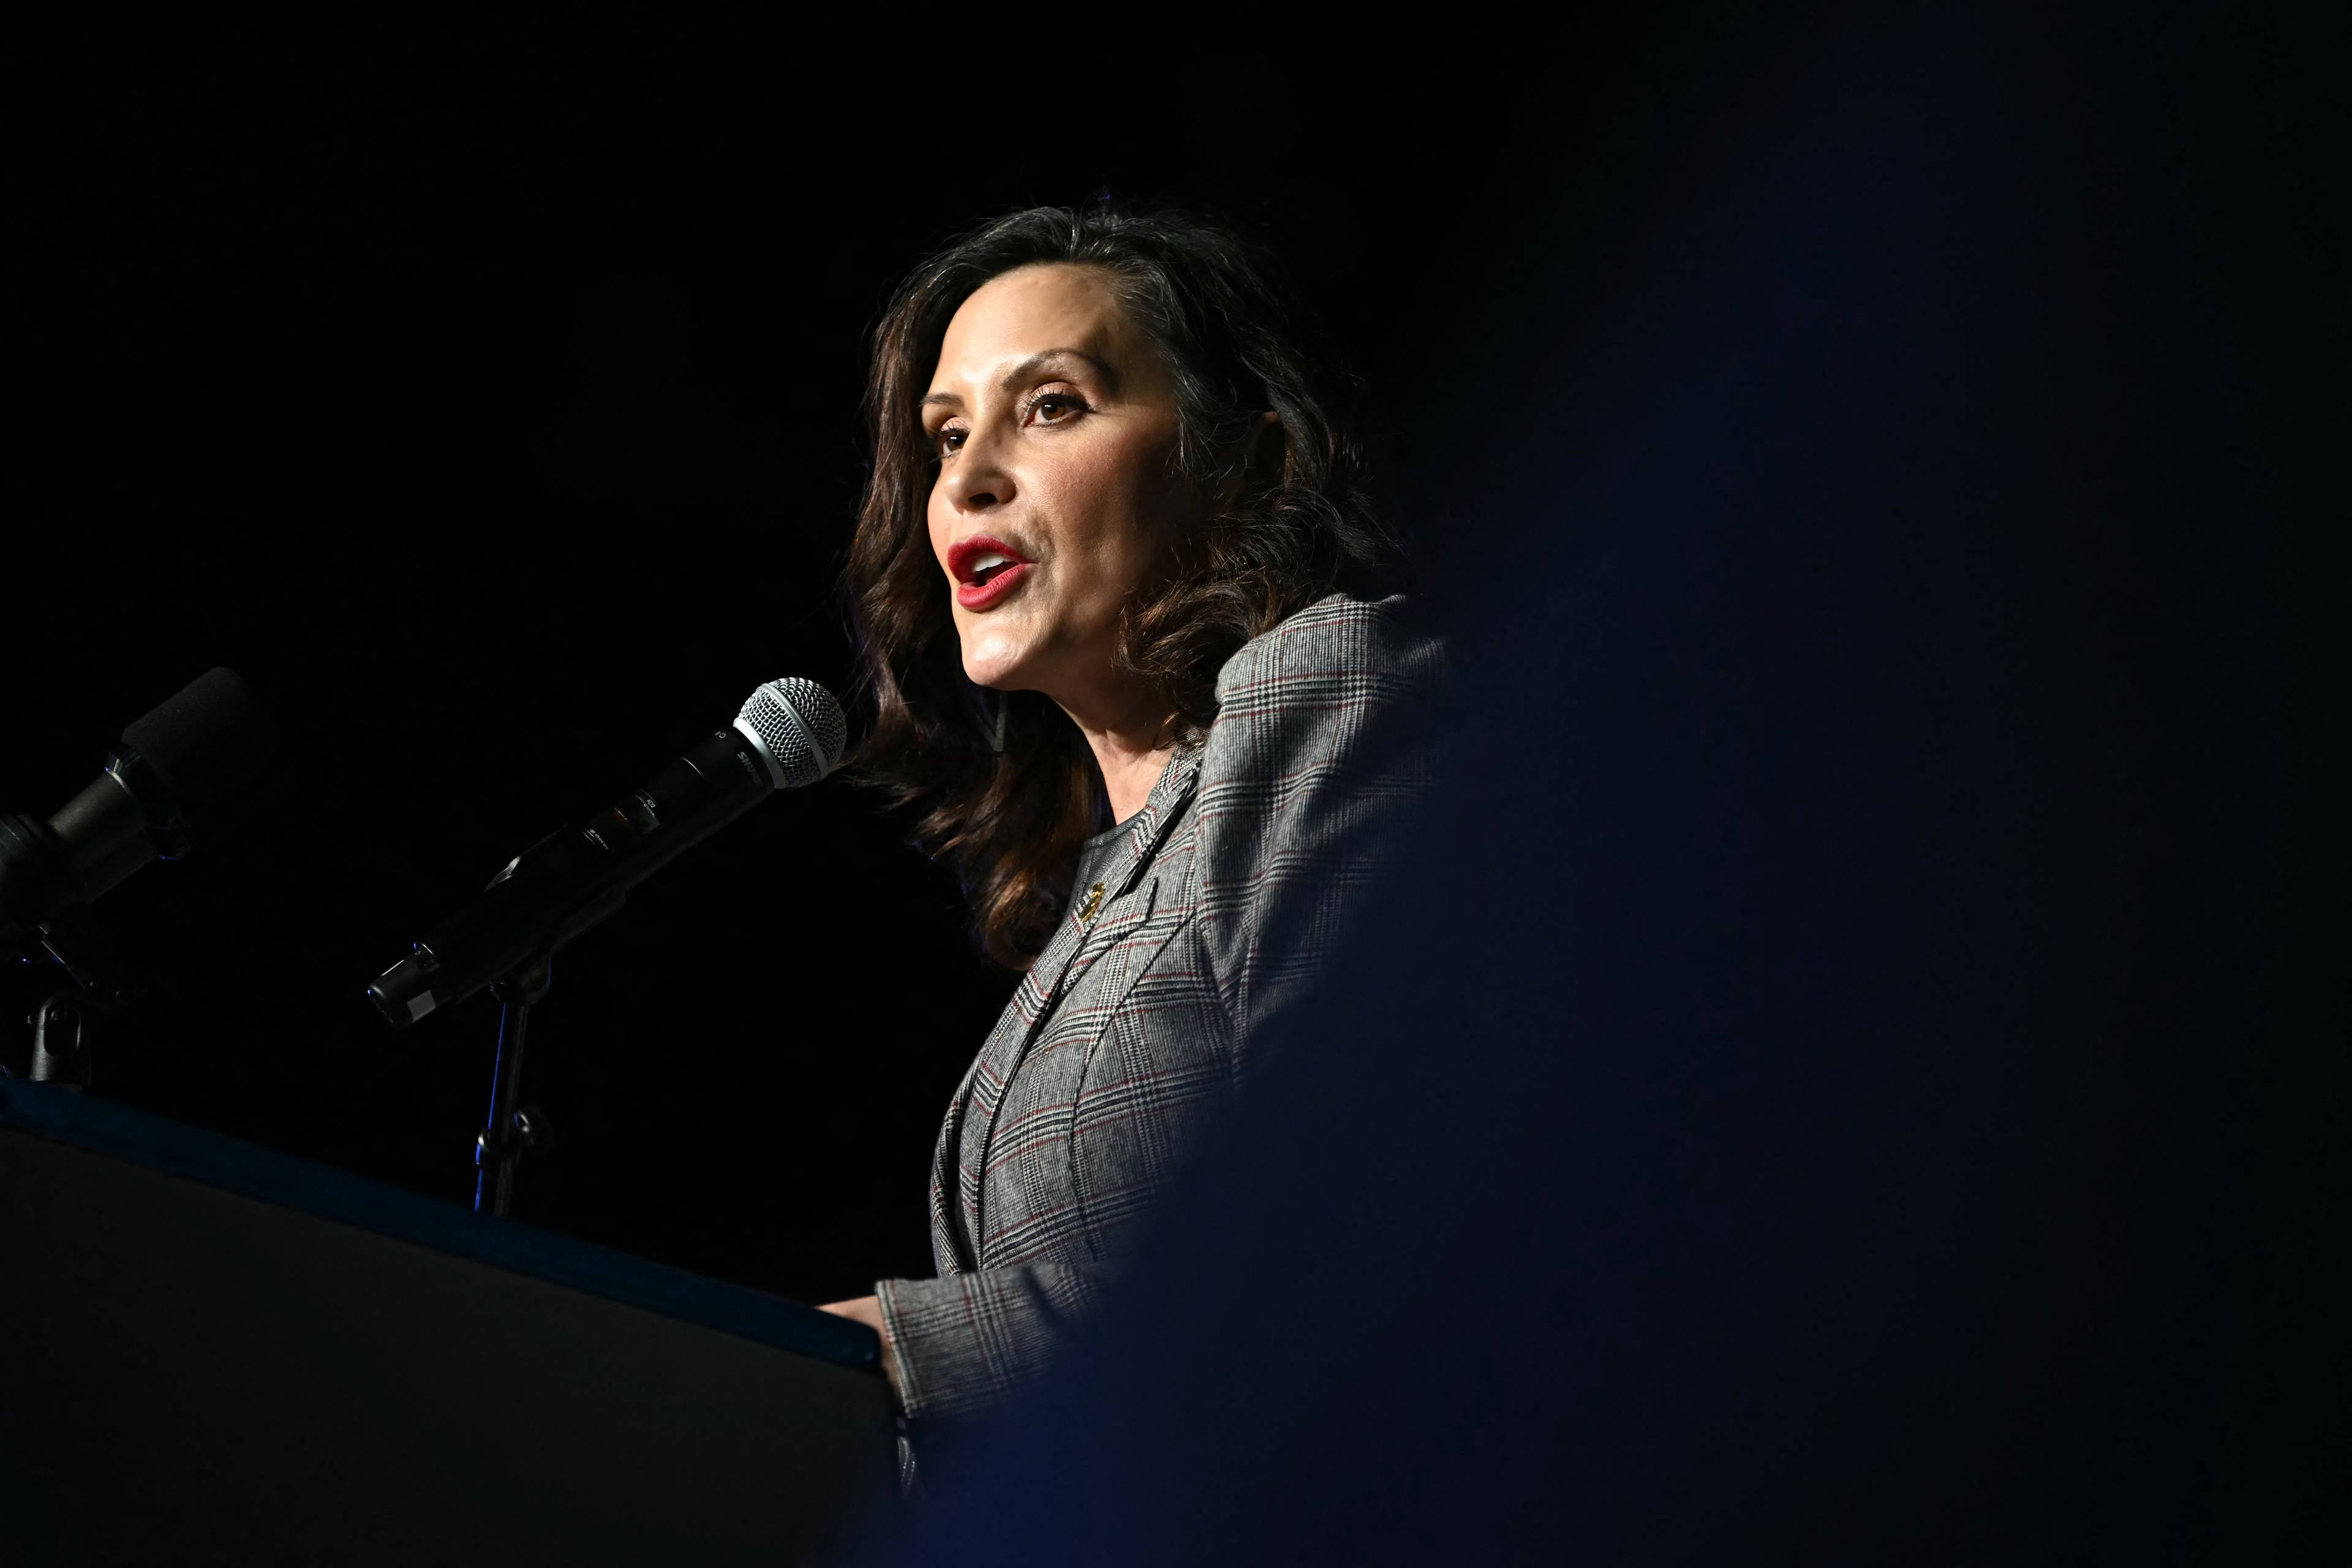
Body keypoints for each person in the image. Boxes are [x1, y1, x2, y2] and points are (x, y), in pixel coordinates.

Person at [816, 206, 1441, 1430]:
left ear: (1248, 461)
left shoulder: (1331, 690)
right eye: (946, 436)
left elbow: (1370, 1209)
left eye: (1051, 406)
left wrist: (904, 1344)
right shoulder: (1100, 876)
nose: (969, 478)